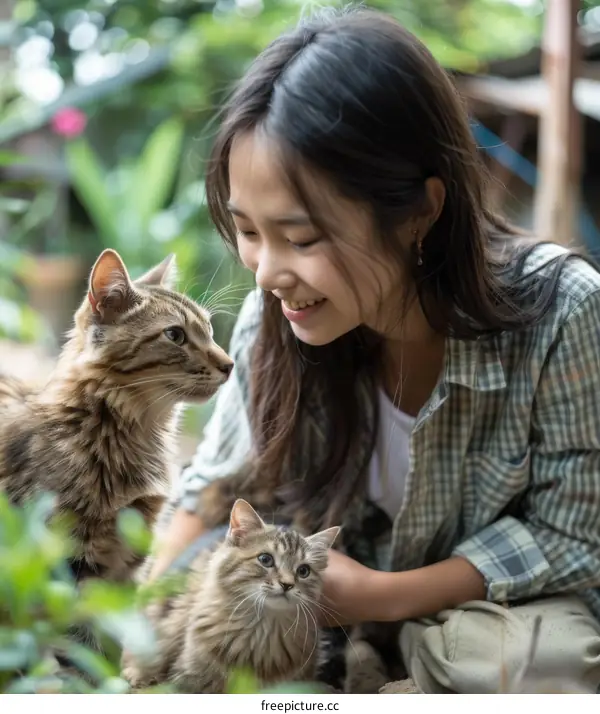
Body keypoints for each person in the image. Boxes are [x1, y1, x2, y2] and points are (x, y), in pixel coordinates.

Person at [148, 5, 600, 694]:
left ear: (421, 210)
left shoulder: (566, 313)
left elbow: (573, 535)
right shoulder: (274, 319)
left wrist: (384, 596)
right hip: (307, 608)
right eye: (247, 231)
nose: (267, 273)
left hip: (476, 612)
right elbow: (214, 487)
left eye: (300, 238)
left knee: (544, 661)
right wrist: (133, 622)